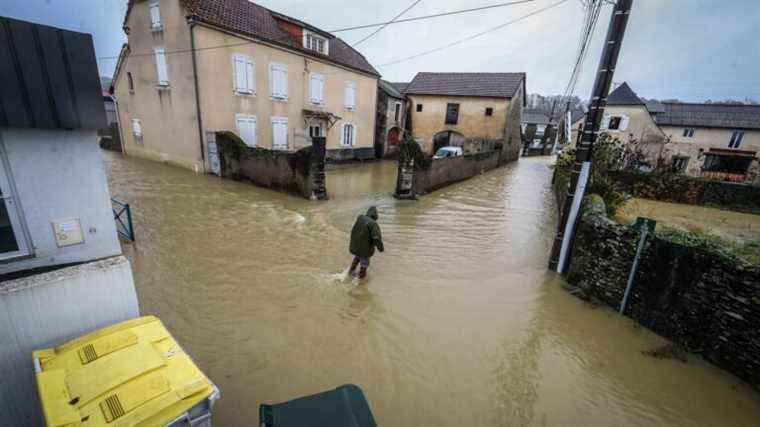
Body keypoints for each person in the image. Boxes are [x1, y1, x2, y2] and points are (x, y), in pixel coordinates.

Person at [348, 206, 384, 279]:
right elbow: (376, 238)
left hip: (356, 245)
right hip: (364, 249)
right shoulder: (373, 224)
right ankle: (361, 279)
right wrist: (381, 248)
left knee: (357, 257)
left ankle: (350, 272)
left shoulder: (360, 218)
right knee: (364, 264)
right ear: (375, 216)